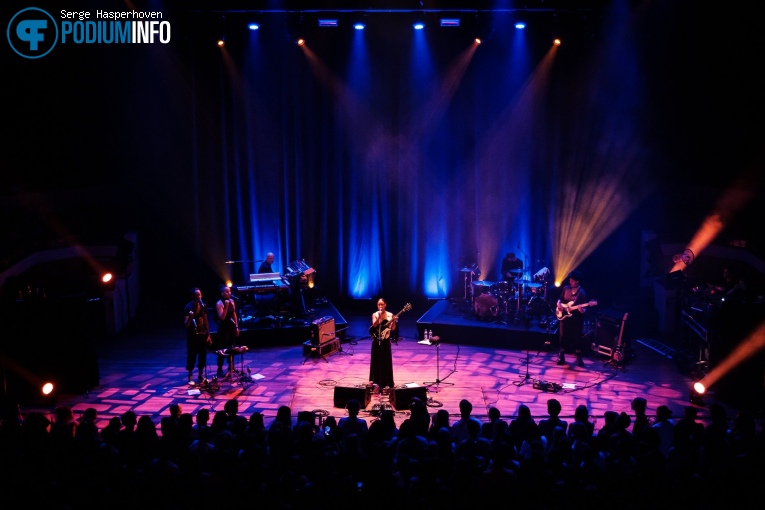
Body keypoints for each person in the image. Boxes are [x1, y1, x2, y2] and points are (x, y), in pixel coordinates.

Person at [556, 270, 590, 367]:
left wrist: (581, 309)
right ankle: (561, 356)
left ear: (577, 281)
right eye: (570, 280)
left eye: (572, 281)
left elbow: (584, 310)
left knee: (577, 338)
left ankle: (579, 357)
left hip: (576, 319)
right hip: (564, 317)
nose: (570, 282)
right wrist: (558, 304)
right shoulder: (566, 288)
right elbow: (560, 299)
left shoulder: (582, 293)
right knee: (562, 336)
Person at [183, 287, 212, 385]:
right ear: (192, 296)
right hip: (192, 335)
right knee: (192, 355)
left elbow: (205, 320)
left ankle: (201, 374)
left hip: (202, 334)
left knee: (202, 355)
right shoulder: (188, 307)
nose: (198, 296)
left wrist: (208, 334)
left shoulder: (203, 305)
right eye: (196, 295)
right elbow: (186, 324)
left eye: (199, 294)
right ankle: (190, 375)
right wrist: (191, 317)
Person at [369, 298, 396, 389]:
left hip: (386, 340)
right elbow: (374, 325)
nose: (380, 306)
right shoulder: (375, 314)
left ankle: (387, 382)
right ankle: (375, 381)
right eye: (378, 305)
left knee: (386, 361)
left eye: (382, 304)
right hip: (376, 340)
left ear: (385, 305)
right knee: (376, 361)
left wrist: (394, 321)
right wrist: (379, 318)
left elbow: (392, 328)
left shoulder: (390, 314)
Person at [215, 284, 239, 377]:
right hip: (223, 328)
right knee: (222, 348)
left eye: (229, 291)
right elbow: (222, 317)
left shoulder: (232, 301)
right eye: (227, 291)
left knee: (231, 347)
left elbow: (234, 315)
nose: (229, 293)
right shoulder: (219, 303)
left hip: (231, 326)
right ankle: (220, 368)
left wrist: (236, 327)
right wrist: (226, 306)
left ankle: (231, 366)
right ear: (222, 293)